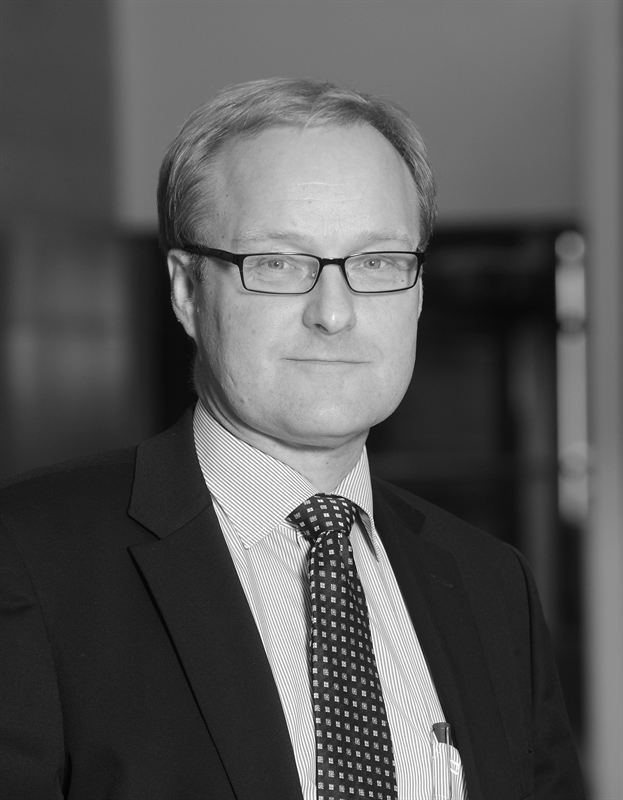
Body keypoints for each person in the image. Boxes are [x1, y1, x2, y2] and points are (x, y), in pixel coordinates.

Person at [0, 78, 584, 800]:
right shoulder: (28, 559)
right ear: (186, 289)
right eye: (277, 263)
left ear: (417, 290)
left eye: (377, 262)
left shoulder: (490, 584)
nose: (334, 313)